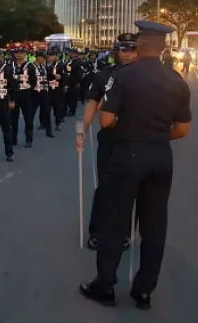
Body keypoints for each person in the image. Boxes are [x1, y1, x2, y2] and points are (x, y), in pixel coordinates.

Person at [79, 21, 192, 310]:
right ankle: (144, 290)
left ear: (140, 45)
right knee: (154, 226)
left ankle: (105, 284)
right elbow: (182, 130)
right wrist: (154, 136)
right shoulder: (177, 80)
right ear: (165, 47)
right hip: (161, 157)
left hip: (128, 153)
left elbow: (106, 120)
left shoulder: (126, 77)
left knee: (115, 220)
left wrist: (128, 130)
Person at [76, 34, 139, 251]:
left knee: (128, 189)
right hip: (110, 139)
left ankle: (123, 232)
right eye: (124, 49)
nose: (128, 53)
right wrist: (81, 130)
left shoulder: (143, 77)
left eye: (132, 48)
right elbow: (92, 103)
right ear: (116, 51)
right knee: (104, 187)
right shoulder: (105, 75)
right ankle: (98, 232)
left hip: (134, 140)